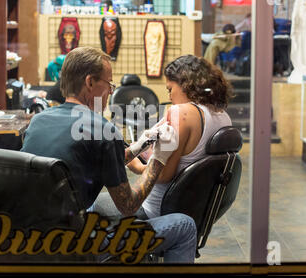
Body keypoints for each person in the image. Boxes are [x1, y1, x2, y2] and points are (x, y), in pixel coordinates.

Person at [21, 47, 197, 263]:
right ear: (90, 82)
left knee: (94, 205)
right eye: (109, 84)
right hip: (76, 244)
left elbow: (92, 160)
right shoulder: (103, 129)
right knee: (185, 225)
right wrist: (158, 160)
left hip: (32, 236)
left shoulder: (39, 120)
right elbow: (129, 207)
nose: (111, 92)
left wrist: (138, 146)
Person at [91, 54, 232, 220]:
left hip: (155, 209)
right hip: (194, 210)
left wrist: (136, 166)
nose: (169, 96)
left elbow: (164, 175)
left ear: (186, 84)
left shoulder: (180, 112)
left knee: (92, 204)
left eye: (170, 89)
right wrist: (143, 150)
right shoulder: (223, 117)